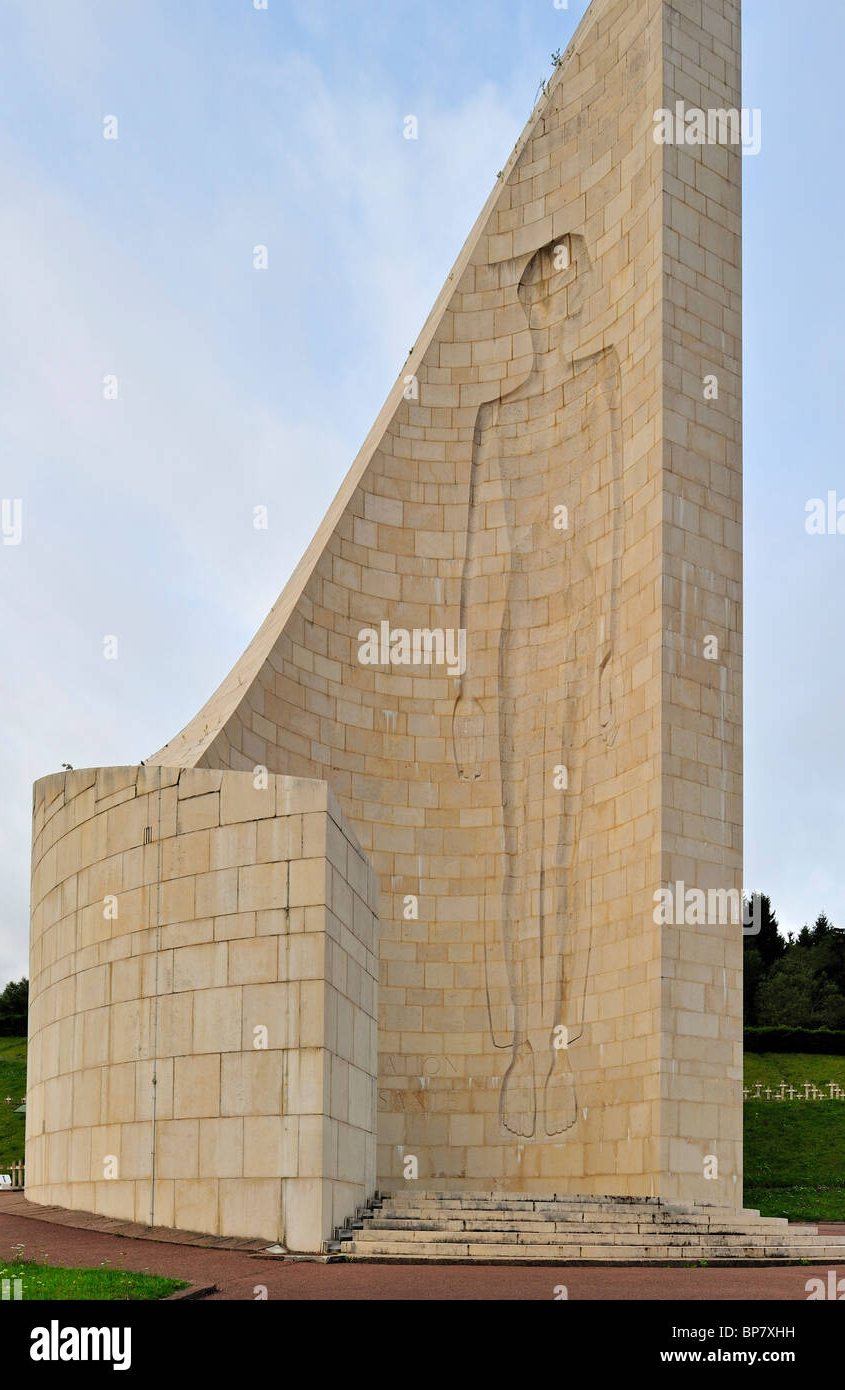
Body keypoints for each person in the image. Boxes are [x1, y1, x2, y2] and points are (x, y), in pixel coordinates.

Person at [453, 233, 624, 1138]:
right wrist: (473, 692)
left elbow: (609, 532)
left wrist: (604, 661)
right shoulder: (498, 420)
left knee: (567, 855)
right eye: (553, 295)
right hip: (520, 646)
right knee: (524, 860)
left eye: (576, 289)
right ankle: (523, 1050)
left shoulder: (602, 385)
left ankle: (560, 1051)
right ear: (531, 309)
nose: (567, 308)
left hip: (574, 642)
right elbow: (486, 560)